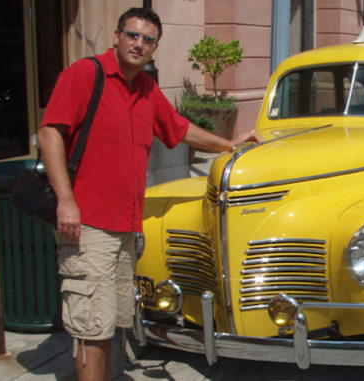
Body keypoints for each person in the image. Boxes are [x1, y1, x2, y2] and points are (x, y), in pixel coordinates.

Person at [37, 7, 258, 380]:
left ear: (155, 47)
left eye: (147, 39)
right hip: (88, 223)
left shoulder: (145, 88)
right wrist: (66, 200)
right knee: (91, 325)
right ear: (117, 36)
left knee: (112, 322)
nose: (138, 44)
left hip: (125, 226)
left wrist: (228, 145)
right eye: (132, 35)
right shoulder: (85, 74)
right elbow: (49, 133)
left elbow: (180, 129)